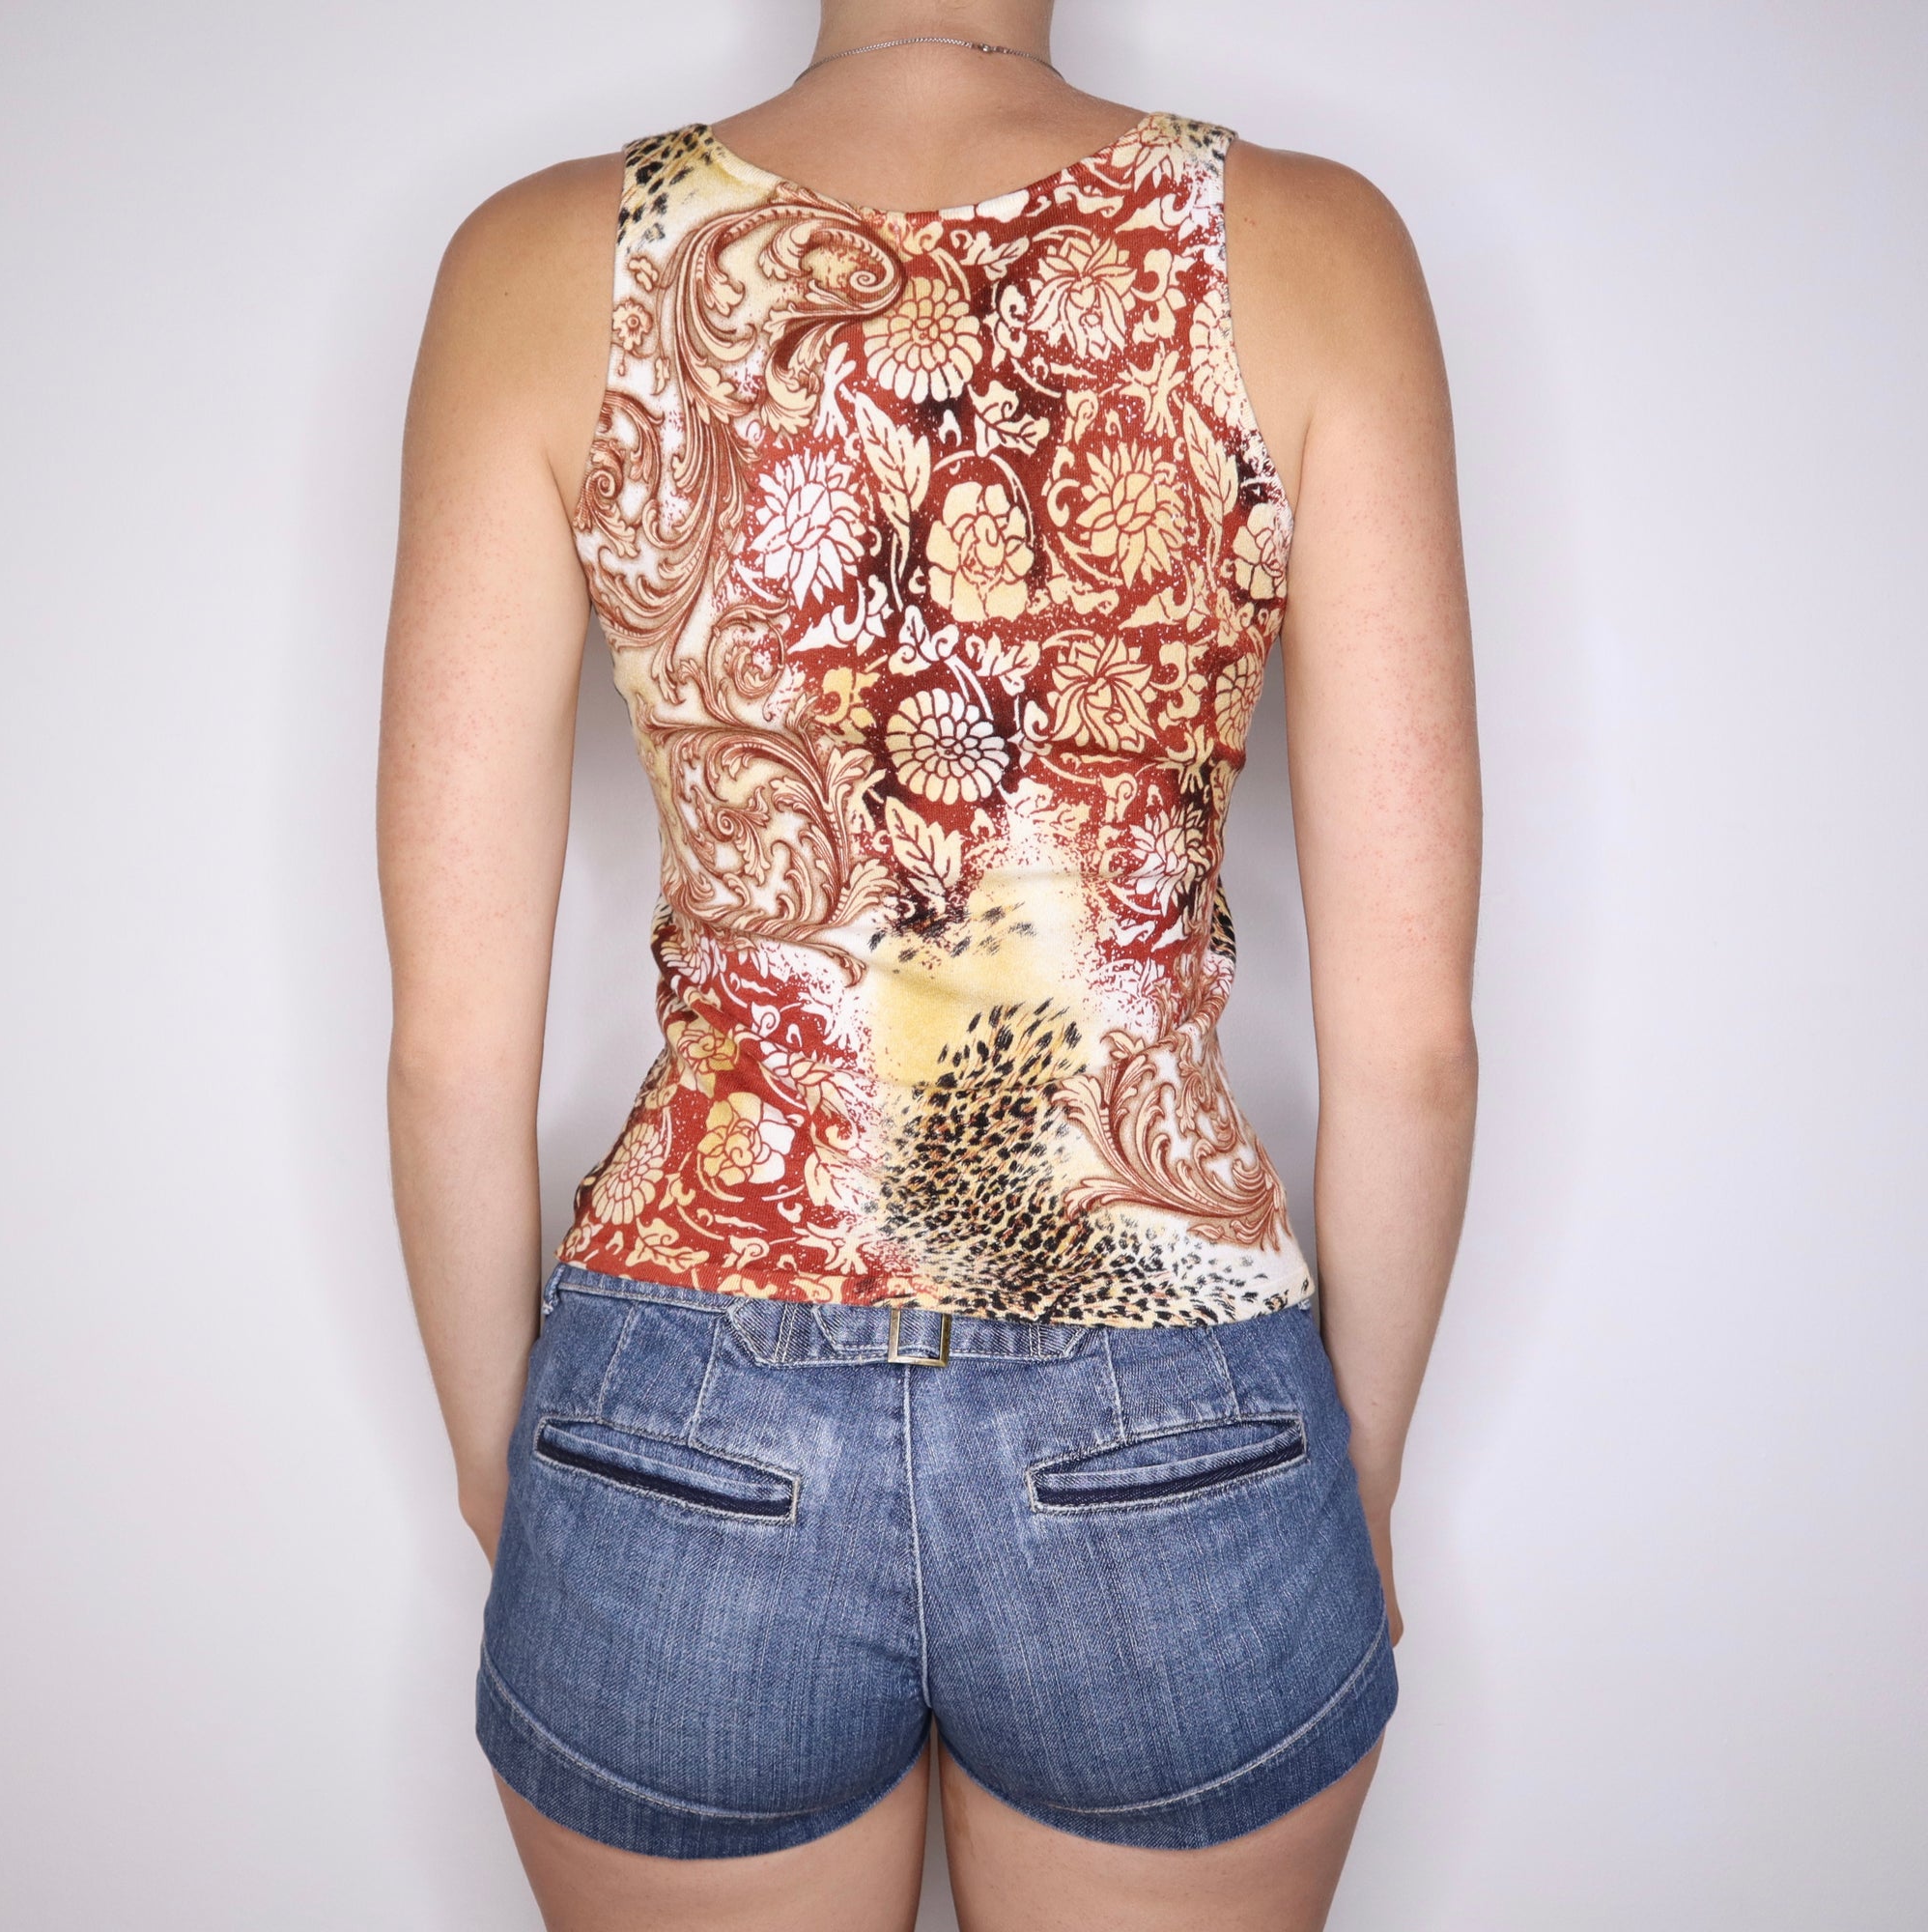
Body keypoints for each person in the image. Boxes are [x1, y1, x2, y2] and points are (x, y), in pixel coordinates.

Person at [378, 3, 1480, 1925]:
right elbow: (1416, 1051)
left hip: (677, 1422)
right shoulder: (1311, 248)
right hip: (1179, 1412)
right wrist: (1343, 1477)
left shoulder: (539, 263)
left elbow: (449, 1054)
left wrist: (509, 1468)